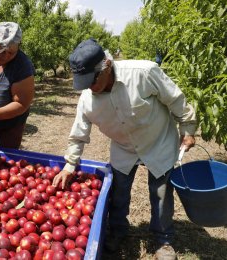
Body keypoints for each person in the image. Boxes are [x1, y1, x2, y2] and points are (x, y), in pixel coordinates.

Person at [52, 39, 196, 260]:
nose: (90, 87)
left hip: (158, 141)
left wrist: (187, 127)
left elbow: (175, 99)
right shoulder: (87, 99)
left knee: (161, 193)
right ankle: (118, 230)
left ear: (106, 65)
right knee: (118, 193)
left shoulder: (143, 73)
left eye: (92, 80)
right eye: (84, 83)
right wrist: (70, 165)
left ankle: (163, 240)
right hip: (124, 148)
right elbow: (78, 134)